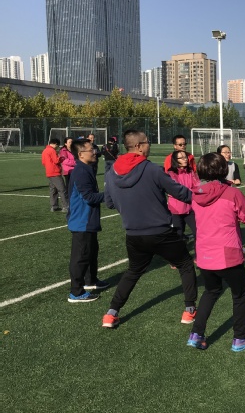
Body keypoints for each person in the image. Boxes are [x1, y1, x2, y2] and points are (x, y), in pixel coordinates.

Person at [102, 130, 198, 328]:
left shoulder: (111, 173)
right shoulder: (152, 169)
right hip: (161, 232)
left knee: (133, 271)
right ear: (138, 146)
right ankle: (189, 311)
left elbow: (110, 203)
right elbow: (180, 193)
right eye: (147, 142)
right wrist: (205, 197)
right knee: (186, 264)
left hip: (134, 235)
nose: (149, 145)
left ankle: (111, 313)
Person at [187, 153, 245, 352]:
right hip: (227, 254)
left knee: (211, 291)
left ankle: (196, 334)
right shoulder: (232, 193)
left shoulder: (196, 194)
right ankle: (239, 338)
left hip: (204, 254)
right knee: (240, 294)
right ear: (223, 169)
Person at [66, 138, 109, 302]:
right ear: (80, 154)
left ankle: (90, 280)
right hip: (82, 220)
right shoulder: (81, 172)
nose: (95, 152)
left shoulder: (86, 168)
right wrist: (111, 195)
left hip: (87, 219)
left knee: (91, 251)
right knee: (81, 256)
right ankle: (76, 292)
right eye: (91, 150)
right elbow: (89, 197)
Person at [166, 150, 200, 240]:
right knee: (178, 235)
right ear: (175, 160)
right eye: (181, 158)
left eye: (185, 157)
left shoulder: (191, 172)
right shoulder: (170, 174)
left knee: (198, 232)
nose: (185, 159)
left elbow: (197, 186)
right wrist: (190, 191)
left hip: (190, 208)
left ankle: (198, 249)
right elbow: (174, 191)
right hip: (176, 210)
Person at [41, 138, 69, 212]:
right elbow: (56, 160)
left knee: (53, 190)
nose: (57, 147)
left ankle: (54, 206)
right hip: (55, 172)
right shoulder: (52, 150)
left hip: (49, 172)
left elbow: (43, 162)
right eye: (58, 146)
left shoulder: (45, 150)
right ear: (56, 144)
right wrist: (61, 157)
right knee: (62, 189)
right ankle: (66, 206)